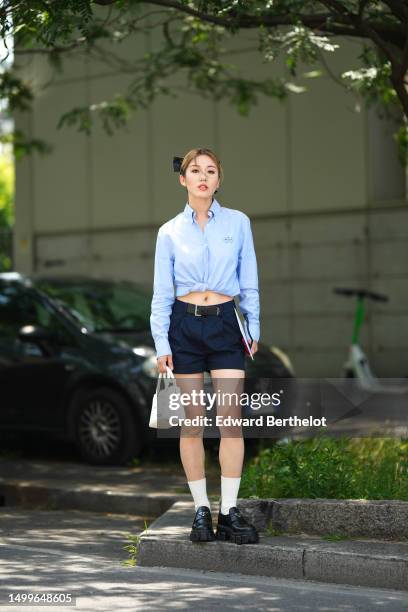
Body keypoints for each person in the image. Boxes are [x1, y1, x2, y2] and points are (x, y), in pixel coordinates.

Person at [150, 147, 260, 545]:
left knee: (231, 420)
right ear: (182, 179)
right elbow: (162, 293)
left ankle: (229, 513)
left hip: (226, 324)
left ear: (218, 179)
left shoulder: (238, 223)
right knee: (192, 423)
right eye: (194, 170)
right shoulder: (169, 232)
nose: (203, 177)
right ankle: (200, 511)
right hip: (183, 325)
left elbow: (248, 278)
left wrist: (254, 324)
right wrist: (161, 340)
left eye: (210, 171)